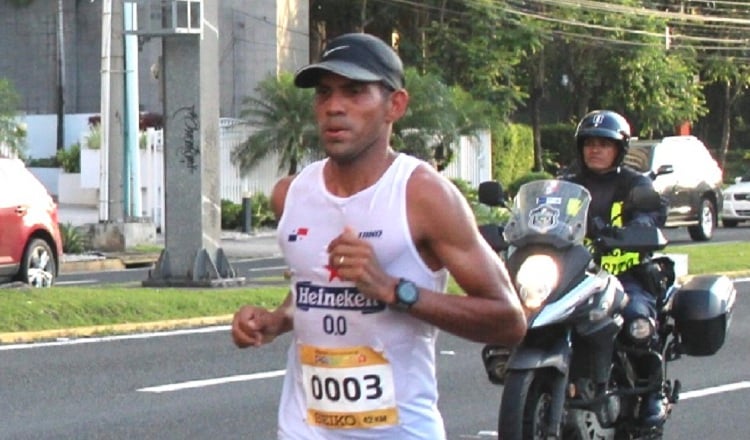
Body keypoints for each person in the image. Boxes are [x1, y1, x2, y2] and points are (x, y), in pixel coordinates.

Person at [230, 32, 527, 439]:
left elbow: (508, 321)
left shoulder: (424, 195)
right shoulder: (291, 194)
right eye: (324, 93)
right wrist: (273, 320)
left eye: (354, 92)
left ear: (395, 105)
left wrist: (392, 289)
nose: (334, 107)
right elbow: (311, 286)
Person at [565, 109, 668, 427]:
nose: (595, 149)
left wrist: (636, 228)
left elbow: (651, 214)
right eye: (590, 143)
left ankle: (653, 393)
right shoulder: (566, 184)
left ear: (619, 149)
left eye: (604, 144)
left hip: (625, 276)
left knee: (637, 323)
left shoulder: (634, 184)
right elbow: (541, 214)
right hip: (574, 276)